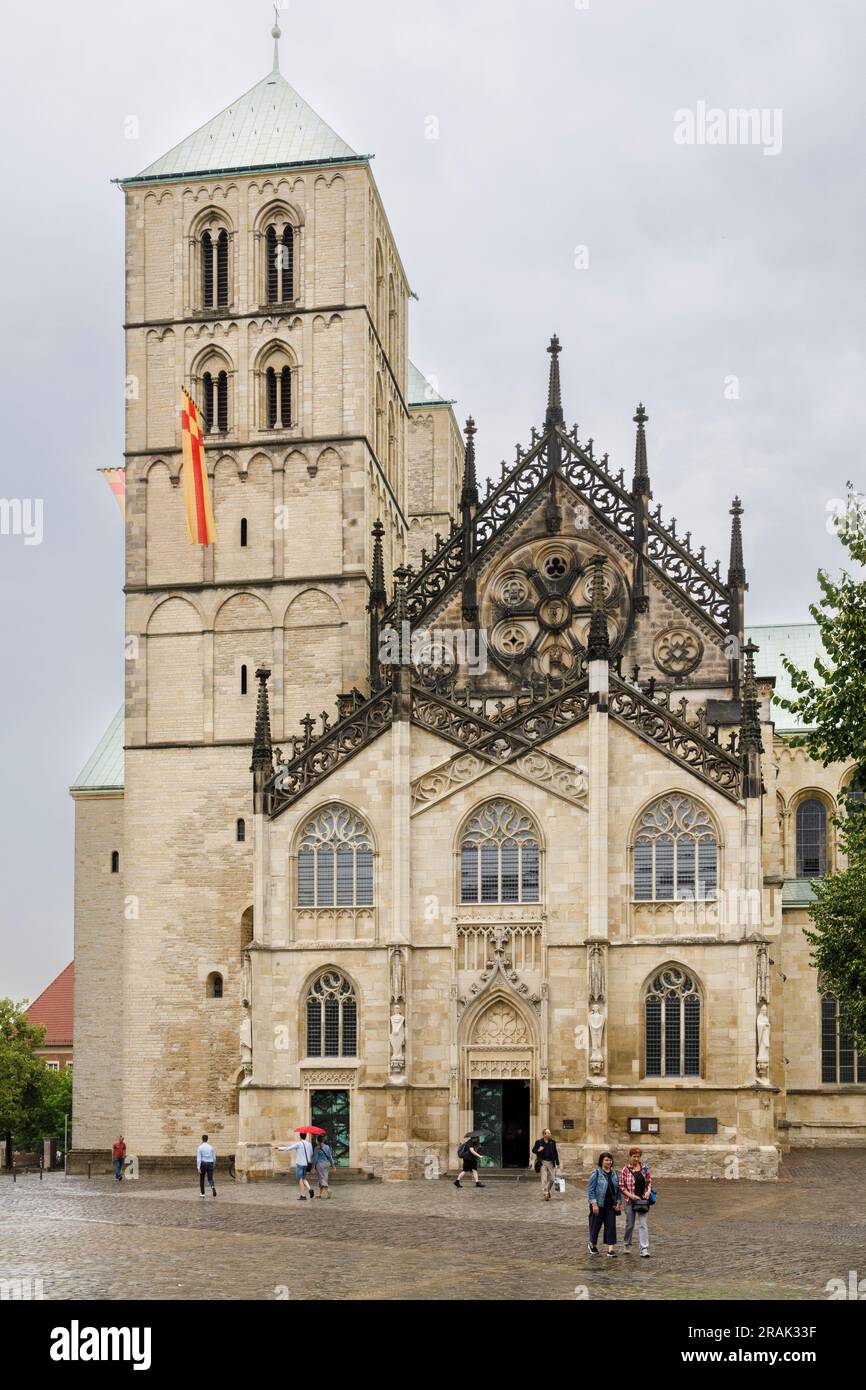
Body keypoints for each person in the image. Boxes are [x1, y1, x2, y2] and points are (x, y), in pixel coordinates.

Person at [620, 1147, 652, 1257]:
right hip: (630, 1200)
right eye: (634, 1156)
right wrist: (631, 1196)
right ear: (630, 1156)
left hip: (642, 1200)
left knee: (643, 1224)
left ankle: (644, 1248)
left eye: (638, 1156)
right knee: (630, 1224)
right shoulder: (625, 1169)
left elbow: (649, 1182)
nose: (636, 1158)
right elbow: (622, 1187)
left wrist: (648, 1191)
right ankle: (627, 1244)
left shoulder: (644, 1168)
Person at [587, 1151, 620, 1257]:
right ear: (601, 1161)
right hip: (598, 1204)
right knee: (595, 1226)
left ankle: (610, 1250)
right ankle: (592, 1245)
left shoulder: (615, 1174)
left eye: (610, 1160)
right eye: (606, 1160)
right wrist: (594, 1204)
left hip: (610, 1205)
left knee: (611, 1226)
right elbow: (591, 1190)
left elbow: (618, 1190)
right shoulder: (596, 1173)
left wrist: (618, 1202)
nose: (608, 1162)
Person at [273, 1135, 314, 1199]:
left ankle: (303, 1195)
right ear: (306, 1136)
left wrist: (278, 1148)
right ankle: (310, 1189)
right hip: (306, 1164)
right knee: (303, 1178)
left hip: (300, 1164)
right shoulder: (309, 1144)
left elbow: (288, 1148)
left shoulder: (298, 1144)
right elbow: (311, 1153)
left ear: (300, 1136)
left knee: (300, 1179)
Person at [531, 1128, 560, 1200]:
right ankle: (546, 1194)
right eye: (548, 1133)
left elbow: (555, 1152)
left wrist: (558, 1162)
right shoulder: (539, 1142)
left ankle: (547, 1190)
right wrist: (538, 1150)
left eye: (550, 1133)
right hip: (543, 1162)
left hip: (551, 1162)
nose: (550, 1134)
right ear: (544, 1134)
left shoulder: (552, 1142)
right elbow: (533, 1150)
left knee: (553, 1179)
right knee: (544, 1179)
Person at [196, 1134, 217, 1199]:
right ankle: (213, 1187)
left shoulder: (200, 1147)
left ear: (202, 1139)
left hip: (203, 1164)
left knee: (202, 1179)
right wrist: (213, 1165)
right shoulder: (211, 1147)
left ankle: (202, 1193)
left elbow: (199, 1158)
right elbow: (214, 1158)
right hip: (210, 1163)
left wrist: (198, 1167)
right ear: (207, 1139)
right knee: (210, 1178)